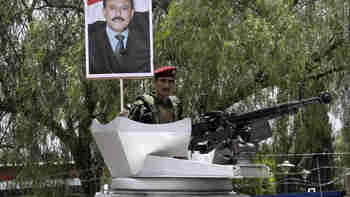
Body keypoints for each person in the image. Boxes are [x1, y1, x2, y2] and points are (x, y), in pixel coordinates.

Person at [88, 0, 151, 74]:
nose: (118, 13)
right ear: (104, 12)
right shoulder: (90, 41)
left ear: (131, 13)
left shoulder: (146, 41)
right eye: (112, 8)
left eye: (124, 8)